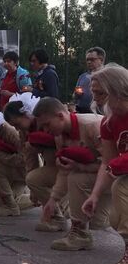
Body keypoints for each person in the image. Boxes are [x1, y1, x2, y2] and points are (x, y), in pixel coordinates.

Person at [33, 97, 110, 252]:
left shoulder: (92, 126)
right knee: (74, 178)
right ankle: (80, 231)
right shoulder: (60, 136)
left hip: (117, 176)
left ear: (61, 116)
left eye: (47, 125)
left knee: (99, 222)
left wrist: (81, 166)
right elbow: (64, 171)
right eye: (42, 127)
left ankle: (83, 231)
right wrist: (53, 200)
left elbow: (110, 164)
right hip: (97, 175)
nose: (46, 131)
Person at [82, 64, 128, 264]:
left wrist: (116, 167)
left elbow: (115, 165)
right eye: (94, 93)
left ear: (118, 90)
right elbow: (107, 162)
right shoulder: (109, 123)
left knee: (121, 186)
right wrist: (95, 195)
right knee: (116, 219)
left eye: (101, 93)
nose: (96, 98)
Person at [4, 93, 63, 232]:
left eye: (17, 124)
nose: (17, 129)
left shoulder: (46, 121)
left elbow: (61, 141)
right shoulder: (25, 131)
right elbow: (29, 157)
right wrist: (33, 187)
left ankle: (61, 215)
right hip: (53, 164)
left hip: (69, 165)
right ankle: (55, 216)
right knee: (34, 179)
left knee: (99, 220)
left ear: (26, 114)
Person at [73, 47, 105, 113]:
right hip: (82, 111)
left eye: (92, 59)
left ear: (101, 60)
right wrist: (76, 94)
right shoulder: (82, 76)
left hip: (100, 113)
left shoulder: (107, 76)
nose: (89, 62)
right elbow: (74, 96)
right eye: (87, 60)